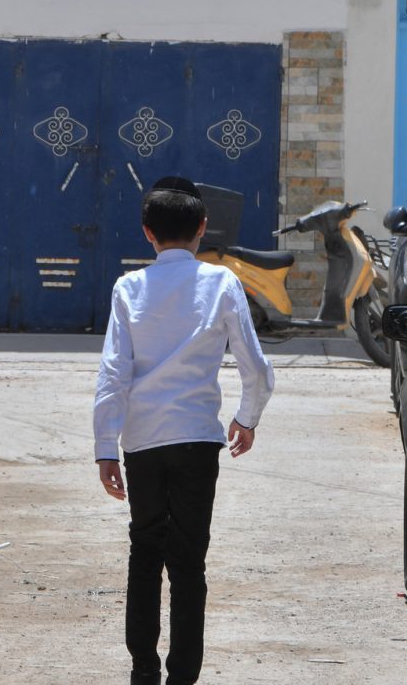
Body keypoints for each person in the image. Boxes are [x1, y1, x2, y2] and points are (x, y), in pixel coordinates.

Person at [93, 177, 275, 685]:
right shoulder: (220, 283)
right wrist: (247, 416)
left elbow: (113, 372)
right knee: (189, 559)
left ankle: (143, 669)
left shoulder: (128, 288)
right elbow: (254, 366)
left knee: (145, 549)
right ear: (202, 229)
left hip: (143, 442)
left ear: (147, 233)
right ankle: (183, 676)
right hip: (198, 439)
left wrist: (105, 446)